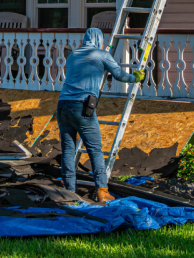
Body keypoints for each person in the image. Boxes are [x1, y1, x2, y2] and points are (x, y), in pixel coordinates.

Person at [56, 28, 145, 202]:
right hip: (81, 106)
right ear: (99, 40)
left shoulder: (73, 55)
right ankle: (102, 192)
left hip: (62, 104)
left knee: (68, 149)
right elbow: (119, 75)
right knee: (95, 150)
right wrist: (135, 77)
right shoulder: (102, 54)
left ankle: (69, 191)